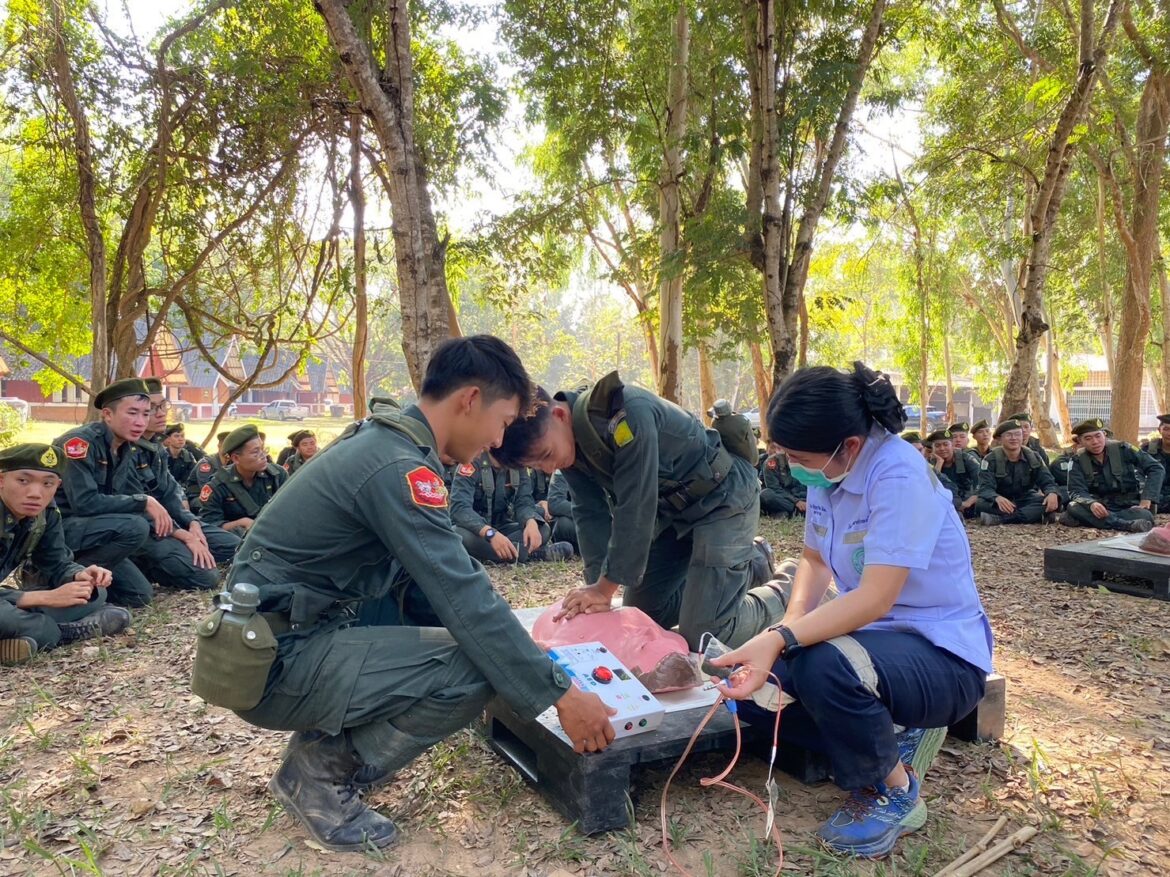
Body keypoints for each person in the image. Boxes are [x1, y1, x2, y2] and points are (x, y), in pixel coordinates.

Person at [213, 336, 615, 852]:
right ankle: (318, 776)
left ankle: (320, 750)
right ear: (470, 400)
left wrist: (515, 647)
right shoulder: (399, 467)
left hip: (290, 637)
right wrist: (559, 690)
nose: (499, 440)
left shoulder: (389, 445)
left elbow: (421, 582)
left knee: (480, 644)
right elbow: (461, 594)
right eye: (504, 420)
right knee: (474, 668)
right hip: (279, 660)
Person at [708, 362, 992, 859]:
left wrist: (781, 640)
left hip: (941, 656)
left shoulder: (899, 474)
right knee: (756, 695)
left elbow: (876, 597)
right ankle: (894, 732)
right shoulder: (829, 474)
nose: (790, 464)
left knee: (820, 666)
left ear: (850, 446)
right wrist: (784, 630)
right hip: (875, 645)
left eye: (796, 455)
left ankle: (897, 792)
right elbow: (814, 563)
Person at [494, 371, 785, 651]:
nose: (549, 468)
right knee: (643, 615)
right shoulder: (569, 444)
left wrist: (605, 588)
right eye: (537, 466)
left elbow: (636, 505)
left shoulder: (626, 414)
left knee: (707, 636)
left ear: (559, 415)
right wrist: (597, 590)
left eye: (546, 456)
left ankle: (786, 588)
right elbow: (589, 514)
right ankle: (731, 580)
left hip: (723, 498)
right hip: (676, 514)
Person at [55, 378, 237, 606]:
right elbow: (84, 503)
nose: (141, 421)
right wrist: (144, 502)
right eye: (132, 413)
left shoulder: (125, 447)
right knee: (136, 527)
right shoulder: (80, 444)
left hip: (108, 532)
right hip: (70, 531)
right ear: (108, 415)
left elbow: (169, 493)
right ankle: (60, 574)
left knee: (139, 596)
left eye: (145, 413)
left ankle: (115, 572)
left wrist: (190, 523)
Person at [0, 444, 131, 664]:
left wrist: (79, 575)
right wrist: (42, 598)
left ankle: (20, 636)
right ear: (1, 480)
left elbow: (56, 562)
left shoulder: (45, 514)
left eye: (47, 484)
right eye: (23, 481)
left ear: (57, 486)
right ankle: (61, 632)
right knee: (30, 624)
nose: (35, 493)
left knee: (93, 593)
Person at [449, 451, 573, 563]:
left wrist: (530, 521)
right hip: (477, 531)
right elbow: (460, 509)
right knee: (459, 535)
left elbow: (524, 501)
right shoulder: (471, 462)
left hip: (503, 526)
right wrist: (491, 534)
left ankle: (497, 552)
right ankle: (533, 554)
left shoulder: (518, 465)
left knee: (543, 529)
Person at [1059, 418, 1163, 533]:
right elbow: (1076, 490)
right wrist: (1091, 503)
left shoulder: (1123, 449)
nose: (1095, 442)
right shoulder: (1077, 460)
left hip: (1127, 505)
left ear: (1104, 435)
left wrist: (1147, 499)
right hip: (1099, 507)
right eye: (1088, 438)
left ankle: (1095, 521)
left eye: (1098, 436)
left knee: (1144, 515)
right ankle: (1126, 525)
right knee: (1073, 507)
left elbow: (1156, 468)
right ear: (1080, 441)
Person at [198, 425, 287, 536]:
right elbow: (209, 525)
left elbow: (292, 509)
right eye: (256, 452)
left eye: (263, 449)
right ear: (236, 458)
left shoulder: (277, 474)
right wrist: (241, 523)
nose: (264, 455)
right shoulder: (217, 485)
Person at [975, 420, 1060, 525]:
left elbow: (1047, 480)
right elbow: (985, 488)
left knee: (1052, 500)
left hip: (1026, 499)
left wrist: (1051, 493)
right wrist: (996, 497)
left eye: (1017, 434)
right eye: (1009, 435)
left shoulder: (1033, 457)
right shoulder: (990, 459)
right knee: (981, 503)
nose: (1014, 438)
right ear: (1000, 439)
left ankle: (1002, 519)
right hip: (1001, 500)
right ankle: (1035, 515)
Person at [926, 429, 978, 518]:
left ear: (952, 445)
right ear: (933, 448)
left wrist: (968, 503)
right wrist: (939, 463)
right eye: (937, 446)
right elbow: (932, 488)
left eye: (946, 445)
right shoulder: (930, 463)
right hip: (947, 500)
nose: (942, 448)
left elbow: (983, 483)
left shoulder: (967, 459)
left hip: (968, 500)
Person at [759, 441, 807, 517]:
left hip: (796, 495)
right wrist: (796, 501)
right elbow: (774, 488)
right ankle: (796, 511)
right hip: (782, 496)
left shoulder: (804, 463)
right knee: (765, 494)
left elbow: (805, 487)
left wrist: (803, 500)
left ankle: (784, 512)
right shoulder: (772, 462)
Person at [187, 431, 230, 510]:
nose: (229, 448)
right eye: (226, 445)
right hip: (199, 497)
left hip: (220, 496)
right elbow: (206, 489)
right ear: (219, 446)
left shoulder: (232, 462)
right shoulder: (207, 464)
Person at [545, 471, 578, 551]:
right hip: (577, 520)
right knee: (562, 524)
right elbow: (555, 503)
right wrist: (587, 512)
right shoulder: (562, 467)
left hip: (609, 521)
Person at [1048, 434, 1082, 508]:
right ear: (1075, 446)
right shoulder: (1061, 462)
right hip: (1063, 491)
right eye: (1082, 445)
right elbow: (1074, 483)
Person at [1145, 414, 1170, 512]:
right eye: (1166, 429)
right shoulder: (1147, 450)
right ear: (1159, 430)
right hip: (1155, 494)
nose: (1169, 433)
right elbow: (1139, 475)